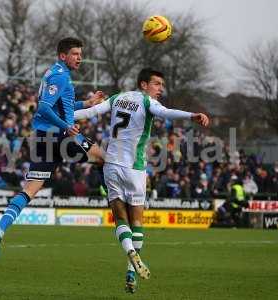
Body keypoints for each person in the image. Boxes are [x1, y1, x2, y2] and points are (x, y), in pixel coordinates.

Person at [74, 68, 210, 293]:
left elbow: (90, 113)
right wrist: (191, 116)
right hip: (135, 168)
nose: (160, 89)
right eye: (157, 84)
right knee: (137, 221)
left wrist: (62, 118)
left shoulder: (118, 98)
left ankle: (129, 253)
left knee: (119, 218)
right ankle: (130, 269)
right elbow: (166, 112)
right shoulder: (147, 102)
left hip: (111, 166)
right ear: (144, 84)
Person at [0, 37, 104, 261]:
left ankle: (0, 229)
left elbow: (62, 104)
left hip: (42, 138)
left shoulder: (53, 73)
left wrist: (87, 104)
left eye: (80, 54)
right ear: (63, 55)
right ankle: (112, 198)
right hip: (60, 136)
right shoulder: (60, 76)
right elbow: (44, 107)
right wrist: (66, 126)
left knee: (30, 189)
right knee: (103, 157)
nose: (80, 58)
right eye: (75, 54)